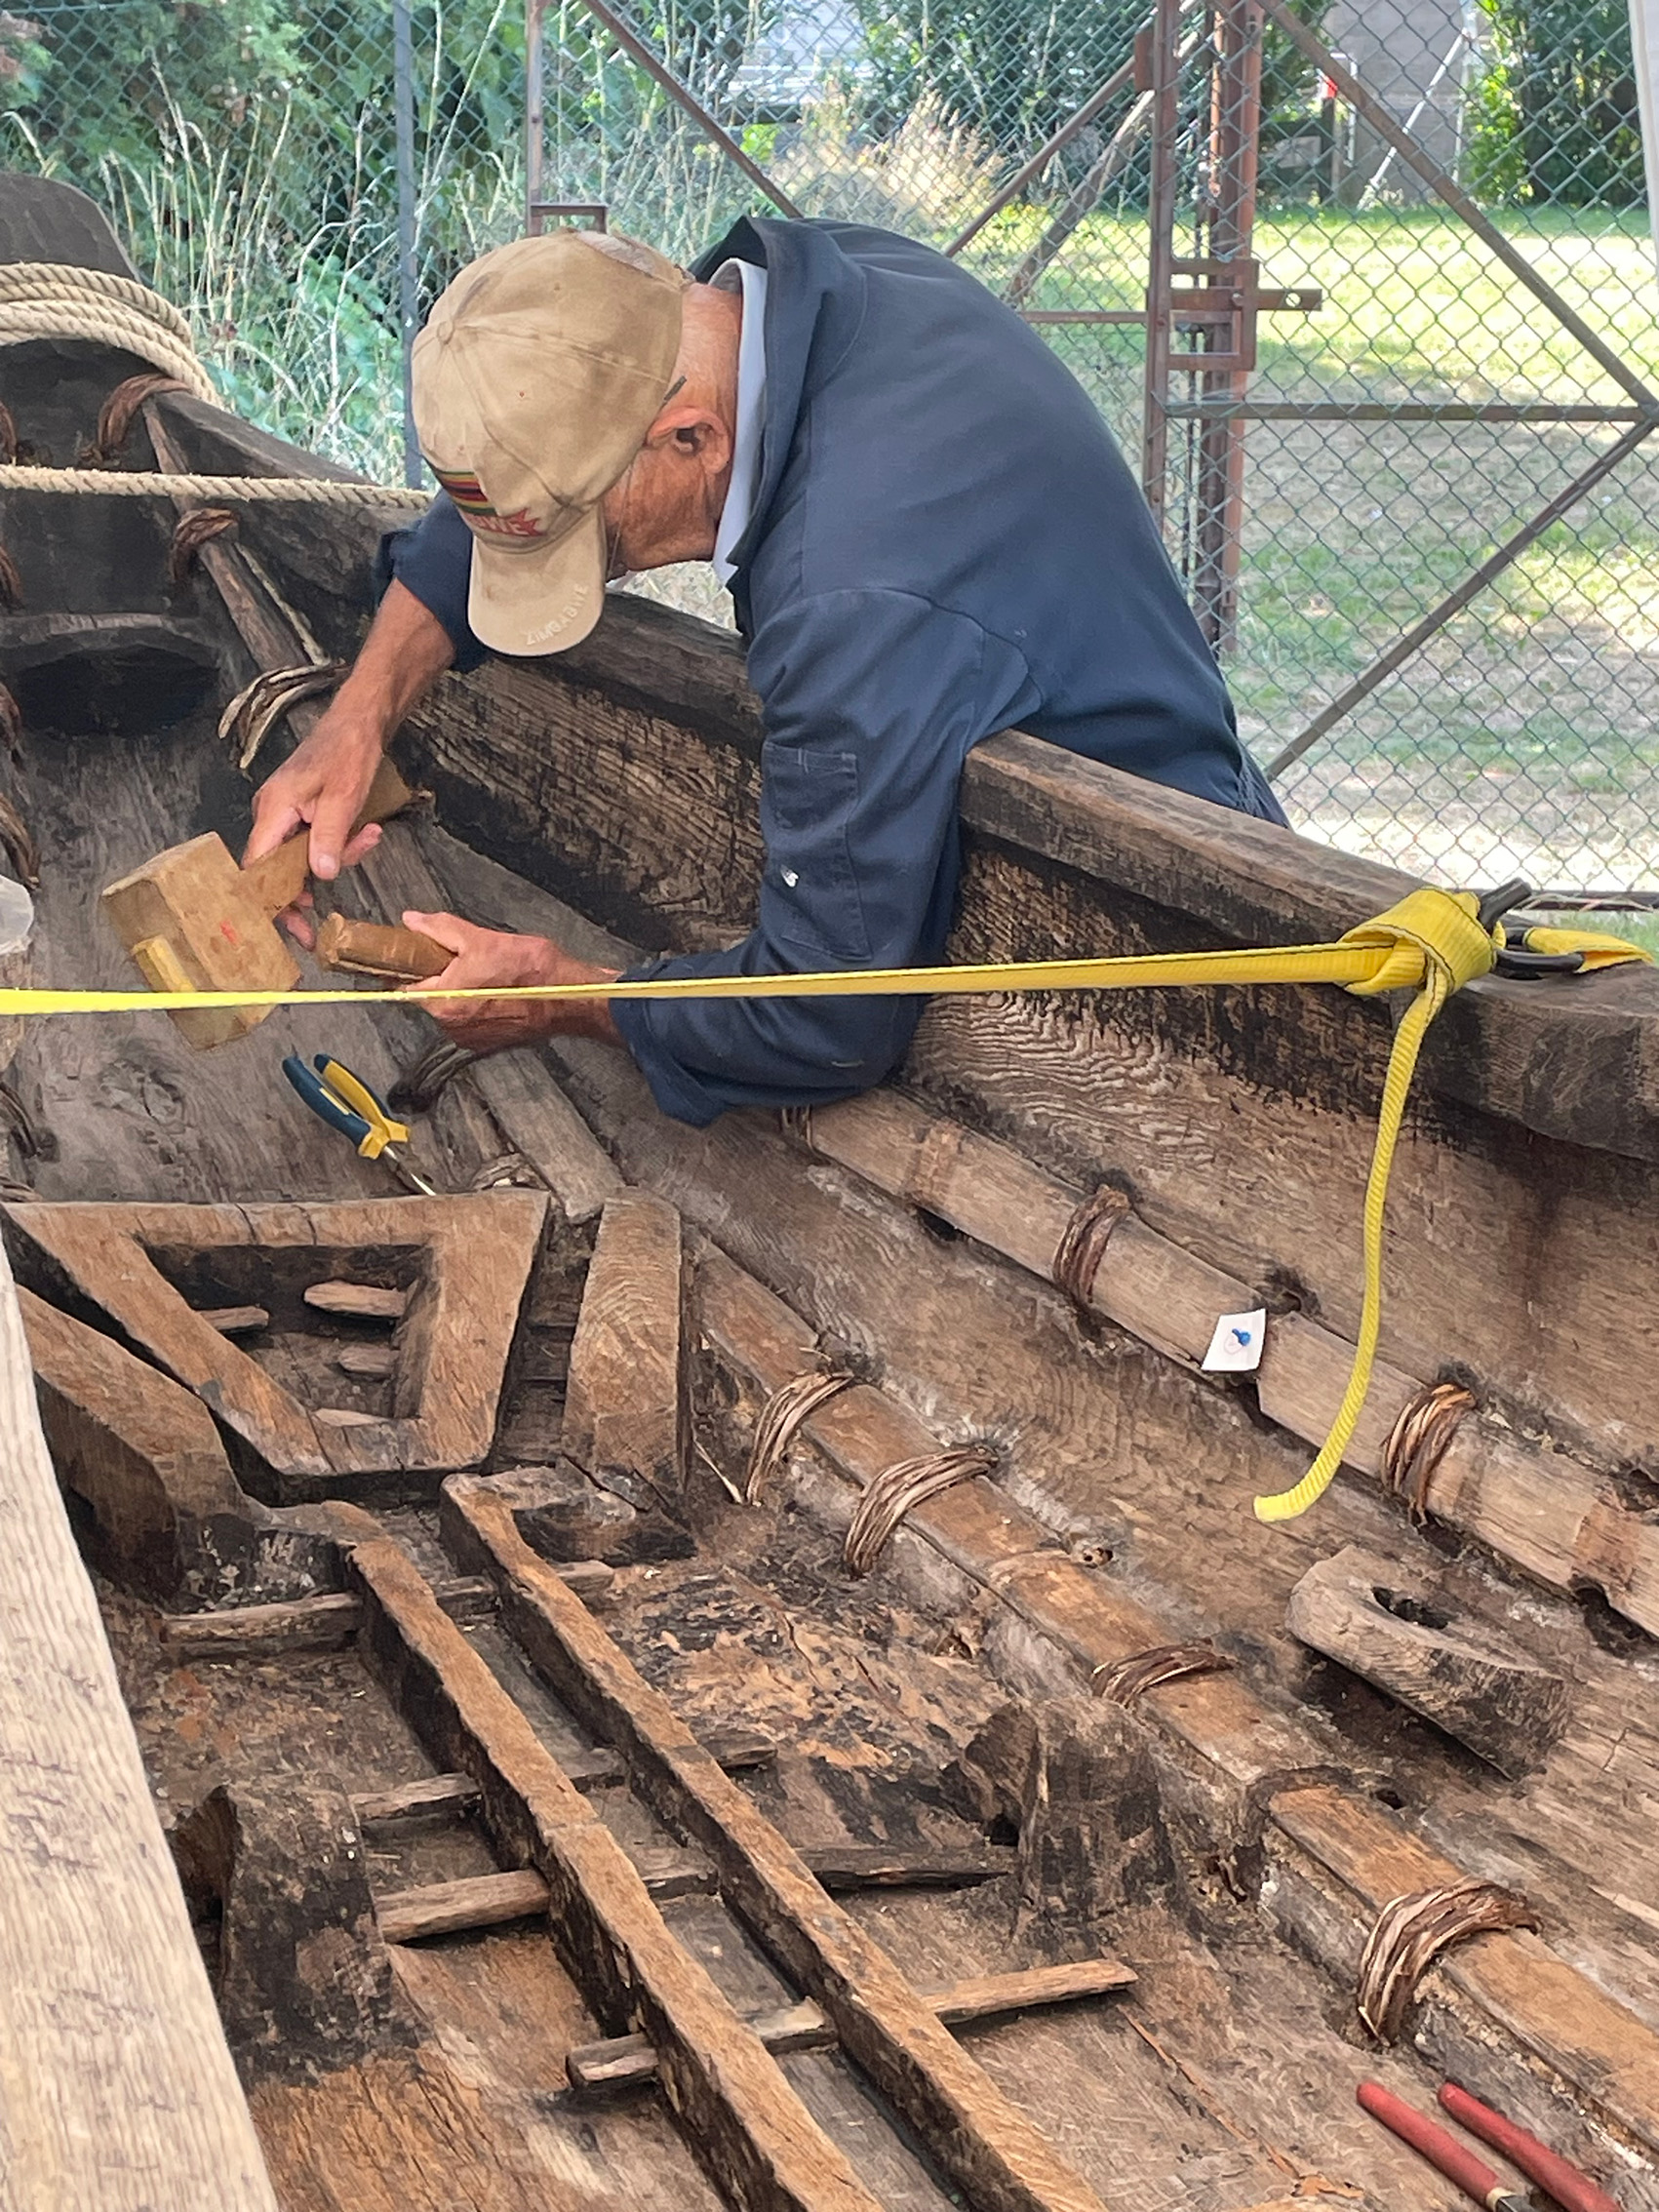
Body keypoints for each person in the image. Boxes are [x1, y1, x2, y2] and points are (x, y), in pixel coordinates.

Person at [246, 218, 1287, 1127]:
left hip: (1169, 950)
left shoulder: (848, 598)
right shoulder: (766, 303)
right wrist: (359, 717)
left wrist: (561, 991)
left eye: (587, 544)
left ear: (690, 435)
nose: (595, 567)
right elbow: (502, 504)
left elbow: (826, 1016)